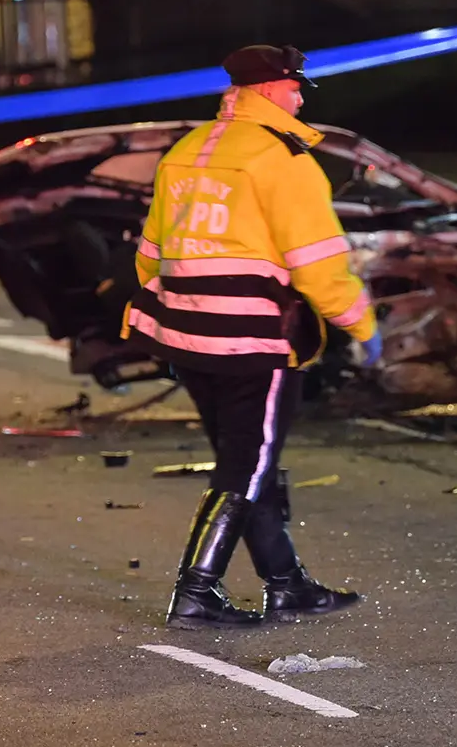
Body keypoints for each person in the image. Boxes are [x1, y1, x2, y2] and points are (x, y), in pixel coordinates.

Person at [124, 44, 379, 628]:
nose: (299, 99)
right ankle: (197, 589)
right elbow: (316, 264)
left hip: (186, 336)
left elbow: (150, 255)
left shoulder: (185, 152)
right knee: (249, 463)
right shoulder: (281, 160)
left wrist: (186, 306)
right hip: (255, 338)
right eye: (294, 89)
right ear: (268, 92)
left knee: (244, 458)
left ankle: (285, 583)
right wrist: (359, 322)